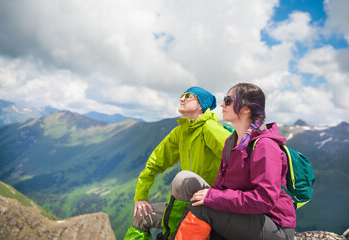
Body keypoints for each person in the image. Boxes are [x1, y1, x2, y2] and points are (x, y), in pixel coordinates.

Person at [170, 83, 296, 240]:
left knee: (204, 209)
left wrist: (212, 198)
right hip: (245, 218)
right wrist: (211, 197)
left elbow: (265, 199)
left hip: (275, 225)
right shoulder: (231, 142)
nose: (222, 104)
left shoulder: (265, 145)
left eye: (228, 100)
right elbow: (220, 186)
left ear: (245, 108)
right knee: (200, 206)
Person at [124, 86, 233, 240]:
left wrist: (221, 196)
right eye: (182, 95)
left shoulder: (210, 128)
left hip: (209, 203)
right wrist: (140, 196)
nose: (182, 98)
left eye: (189, 96)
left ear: (201, 105)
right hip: (187, 202)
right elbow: (154, 162)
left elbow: (237, 158)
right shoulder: (180, 132)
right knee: (142, 215)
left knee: (182, 178)